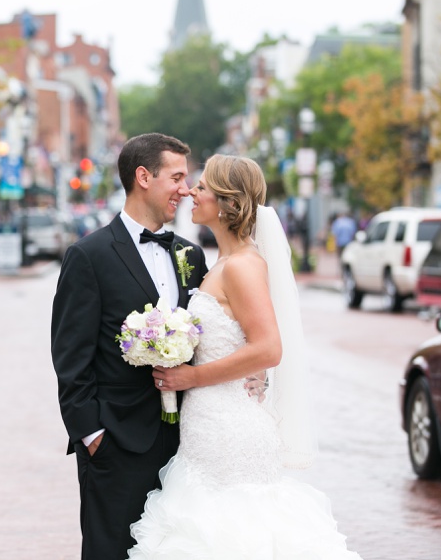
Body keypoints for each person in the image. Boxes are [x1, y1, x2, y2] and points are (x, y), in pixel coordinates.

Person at [127, 155, 361, 558]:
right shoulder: (221, 263)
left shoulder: (243, 267)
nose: (190, 193)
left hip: (231, 435)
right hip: (206, 432)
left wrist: (192, 378)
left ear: (227, 202)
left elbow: (268, 348)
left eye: (201, 187)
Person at [51, 133, 211, 560]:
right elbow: (70, 355)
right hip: (116, 444)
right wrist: (92, 434)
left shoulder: (190, 256)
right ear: (144, 176)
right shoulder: (89, 255)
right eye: (177, 177)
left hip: (186, 445)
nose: (187, 188)